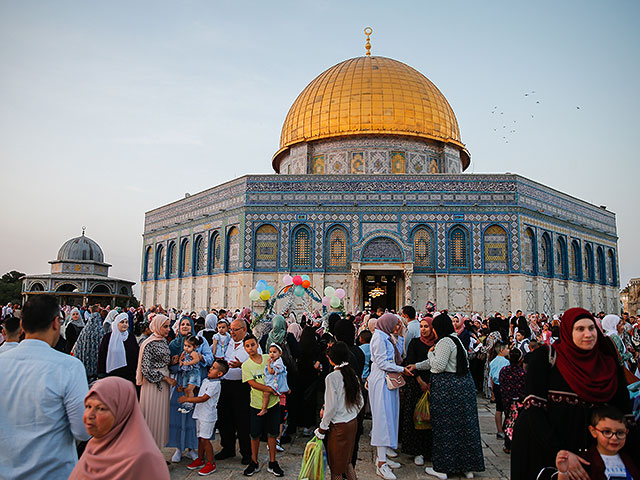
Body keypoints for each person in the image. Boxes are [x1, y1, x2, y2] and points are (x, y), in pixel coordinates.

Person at [511, 308, 635, 480]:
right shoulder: (545, 358)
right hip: (543, 447)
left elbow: (623, 412)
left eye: (591, 328)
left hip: (592, 453)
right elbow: (534, 409)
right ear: (568, 331)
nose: (588, 334)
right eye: (580, 329)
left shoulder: (607, 364)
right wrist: (560, 452)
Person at [0, 295, 90, 479]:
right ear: (56, 323)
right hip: (53, 473)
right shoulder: (69, 367)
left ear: (22, 326)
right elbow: (82, 429)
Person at [412, 314, 485, 479]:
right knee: (464, 425)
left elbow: (437, 365)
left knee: (445, 426)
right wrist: (416, 365)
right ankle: (467, 467)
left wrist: (430, 352)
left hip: (448, 388)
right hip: (464, 386)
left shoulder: (444, 342)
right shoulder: (457, 339)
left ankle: (443, 468)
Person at [68, 377, 170, 480]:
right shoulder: (94, 448)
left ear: (122, 412)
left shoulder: (144, 459)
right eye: (88, 406)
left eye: (101, 408)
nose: (90, 415)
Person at [369, 313, 413, 480]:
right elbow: (381, 362)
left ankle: (384, 455)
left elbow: (397, 353)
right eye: (395, 324)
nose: (397, 327)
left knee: (390, 416)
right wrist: (402, 370)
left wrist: (400, 334)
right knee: (383, 418)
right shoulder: (379, 338)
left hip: (388, 380)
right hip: (382, 380)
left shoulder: (386, 336)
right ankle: (381, 463)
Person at [315, 341, 364, 480]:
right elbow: (360, 401)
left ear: (330, 359)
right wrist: (351, 412)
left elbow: (330, 407)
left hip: (338, 427)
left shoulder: (332, 377)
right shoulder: (352, 375)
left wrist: (322, 428)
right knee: (347, 463)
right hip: (352, 423)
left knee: (336, 469)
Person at [555, 405, 639, 480]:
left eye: (620, 433)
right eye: (607, 432)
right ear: (593, 431)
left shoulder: (629, 461)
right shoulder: (585, 461)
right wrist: (563, 473)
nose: (614, 438)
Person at [241, 334, 284, 477]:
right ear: (245, 348)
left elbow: (279, 371)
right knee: (255, 434)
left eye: (252, 344)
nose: (251, 348)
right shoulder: (246, 365)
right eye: (247, 346)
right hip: (257, 404)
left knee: (273, 433)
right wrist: (269, 389)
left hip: (273, 403)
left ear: (257, 344)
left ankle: (272, 461)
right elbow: (251, 383)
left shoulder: (268, 357)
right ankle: (254, 461)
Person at [178, 359, 228, 476]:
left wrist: (187, 399)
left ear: (220, 374)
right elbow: (198, 391)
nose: (210, 369)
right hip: (200, 413)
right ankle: (200, 459)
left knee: (205, 439)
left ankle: (211, 463)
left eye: (214, 368)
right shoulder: (206, 380)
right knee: (200, 438)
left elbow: (203, 398)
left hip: (207, 416)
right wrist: (185, 389)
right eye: (212, 367)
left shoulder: (216, 384)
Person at [217, 318, 255, 465]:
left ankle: (246, 452)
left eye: (235, 330)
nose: (231, 332)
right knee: (225, 417)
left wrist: (242, 365)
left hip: (242, 386)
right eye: (230, 329)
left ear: (244, 330)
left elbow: (257, 362)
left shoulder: (251, 344)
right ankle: (228, 448)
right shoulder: (229, 342)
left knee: (242, 420)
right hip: (226, 384)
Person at [136, 313, 177, 449]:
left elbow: (162, 361)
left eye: (168, 326)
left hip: (164, 383)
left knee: (160, 419)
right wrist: (165, 378)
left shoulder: (163, 341)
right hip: (153, 385)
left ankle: (157, 452)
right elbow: (146, 370)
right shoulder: (149, 343)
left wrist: (172, 361)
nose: (168, 329)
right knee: (152, 418)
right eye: (165, 326)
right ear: (157, 326)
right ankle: (148, 453)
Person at [400, 316, 435, 466]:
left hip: (434, 385)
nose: (423, 329)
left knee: (431, 419)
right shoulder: (415, 343)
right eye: (421, 326)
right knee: (417, 418)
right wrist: (420, 381)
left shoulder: (438, 344)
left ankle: (430, 450)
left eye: (426, 326)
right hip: (416, 384)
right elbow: (410, 363)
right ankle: (418, 451)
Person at [97, 312, 139, 384]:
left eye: (126, 322)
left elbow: (136, 354)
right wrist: (101, 373)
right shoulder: (108, 337)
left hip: (129, 375)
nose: (125, 324)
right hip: (113, 374)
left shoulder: (131, 337)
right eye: (122, 322)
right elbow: (102, 355)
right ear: (117, 323)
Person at [73, 305, 106, 382]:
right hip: (97, 366)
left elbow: (79, 346)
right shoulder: (100, 331)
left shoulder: (85, 331)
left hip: (85, 363)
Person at [259, 343, 289, 416]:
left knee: (266, 393)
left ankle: (264, 408)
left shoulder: (278, 363)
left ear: (280, 353)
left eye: (274, 352)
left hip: (277, 382)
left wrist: (268, 364)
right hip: (275, 381)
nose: (272, 354)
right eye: (270, 352)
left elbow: (271, 371)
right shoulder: (275, 361)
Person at [177, 334, 204, 414]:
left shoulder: (194, 353)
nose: (186, 348)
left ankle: (190, 405)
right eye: (185, 345)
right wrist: (181, 362)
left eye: (189, 346)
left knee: (189, 389)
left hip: (193, 372)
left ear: (194, 347)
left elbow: (196, 360)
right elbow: (180, 359)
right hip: (186, 372)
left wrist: (188, 363)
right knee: (185, 388)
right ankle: (185, 405)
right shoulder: (184, 352)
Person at [489, 342, 510, 439]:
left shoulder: (492, 362)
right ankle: (506, 428)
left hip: (496, 386)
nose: (508, 350)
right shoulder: (506, 362)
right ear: (502, 350)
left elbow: (491, 378)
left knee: (498, 409)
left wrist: (492, 390)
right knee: (506, 409)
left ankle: (499, 430)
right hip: (504, 386)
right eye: (507, 348)